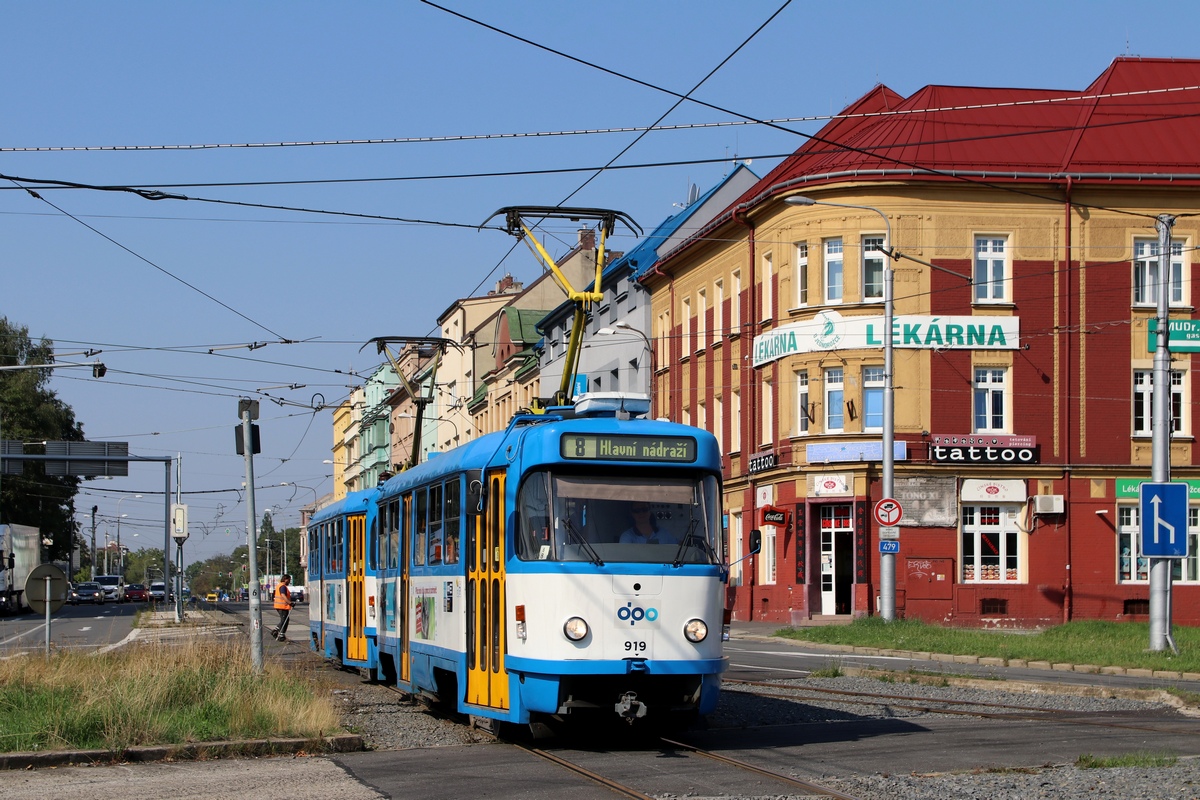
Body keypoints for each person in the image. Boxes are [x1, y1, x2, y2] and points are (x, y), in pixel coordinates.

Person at [270, 573, 293, 641]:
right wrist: (290, 603)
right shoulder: (282, 586)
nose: (289, 581)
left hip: (280, 606)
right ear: (285, 579)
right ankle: (279, 633)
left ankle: (278, 632)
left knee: (285, 620)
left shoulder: (280, 585)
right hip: (282, 606)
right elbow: (283, 595)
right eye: (289, 580)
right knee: (284, 620)